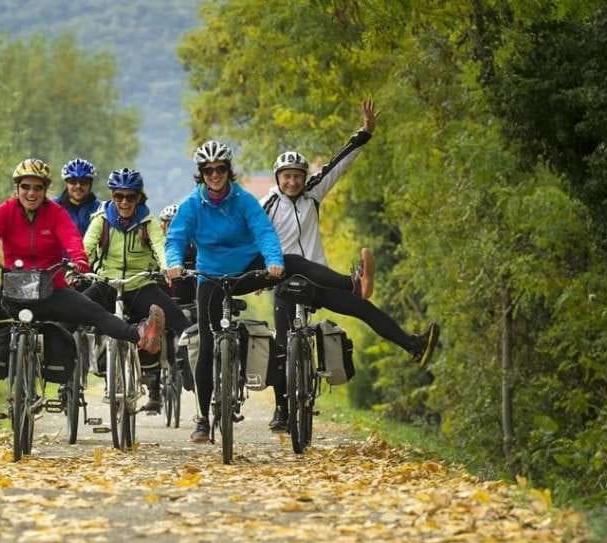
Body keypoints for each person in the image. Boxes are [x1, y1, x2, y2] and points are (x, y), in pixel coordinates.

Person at [165, 141, 437, 444]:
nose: (214, 174)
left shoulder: (245, 200)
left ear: (229, 172)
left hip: (249, 270)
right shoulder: (193, 204)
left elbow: (264, 233)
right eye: (208, 170)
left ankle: (355, 287)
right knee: (205, 344)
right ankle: (204, 419)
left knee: (296, 263)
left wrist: (273, 261)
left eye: (220, 169)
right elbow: (175, 237)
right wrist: (174, 262)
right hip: (211, 277)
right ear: (201, 174)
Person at [262, 101, 440, 430]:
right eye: (286, 176)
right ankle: (281, 411)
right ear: (278, 178)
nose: (292, 182)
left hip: (318, 279)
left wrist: (365, 132)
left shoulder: (313, 194)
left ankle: (413, 345)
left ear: (304, 178)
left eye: (297, 176)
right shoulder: (267, 204)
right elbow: (247, 230)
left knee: (363, 308)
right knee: (281, 343)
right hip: (285, 283)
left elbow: (337, 165)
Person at [0, 158, 165, 357]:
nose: (31, 193)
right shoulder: (5, 211)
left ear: (45, 189)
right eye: (26, 187)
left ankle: (142, 335)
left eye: (37, 187)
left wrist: (79, 260)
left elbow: (71, 238)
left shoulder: (56, 212)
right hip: (14, 291)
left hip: (52, 291)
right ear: (17, 187)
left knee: (96, 314)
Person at [82, 169, 190, 414]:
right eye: (119, 196)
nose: (124, 202)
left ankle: (186, 374)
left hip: (140, 286)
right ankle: (67, 373)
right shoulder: (101, 221)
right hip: (106, 285)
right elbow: (85, 248)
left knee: (182, 324)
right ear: (112, 196)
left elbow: (160, 247)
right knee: (71, 312)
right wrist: (77, 266)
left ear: (139, 198)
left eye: (130, 197)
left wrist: (167, 267)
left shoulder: (148, 223)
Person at [159, 203, 196, 307]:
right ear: (163, 226)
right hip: (165, 297)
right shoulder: (157, 245)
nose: (174, 228)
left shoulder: (193, 245)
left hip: (191, 297)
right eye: (170, 224)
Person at [54, 157, 101, 236]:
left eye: (83, 182)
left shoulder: (100, 209)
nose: (78, 186)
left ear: (90, 185)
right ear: (66, 184)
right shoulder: (54, 207)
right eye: (73, 182)